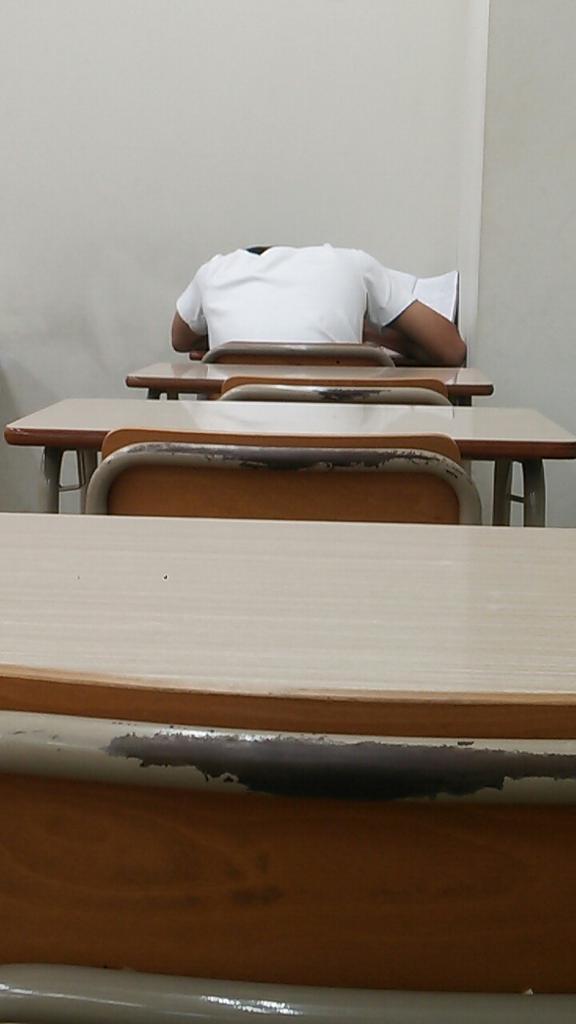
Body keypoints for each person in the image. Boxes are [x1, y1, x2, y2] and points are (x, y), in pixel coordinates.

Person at [171, 244, 466, 366]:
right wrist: (370, 334)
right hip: (341, 459)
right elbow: (452, 350)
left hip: (232, 461)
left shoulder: (215, 271)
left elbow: (180, 340)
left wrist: (229, 340)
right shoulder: (351, 263)